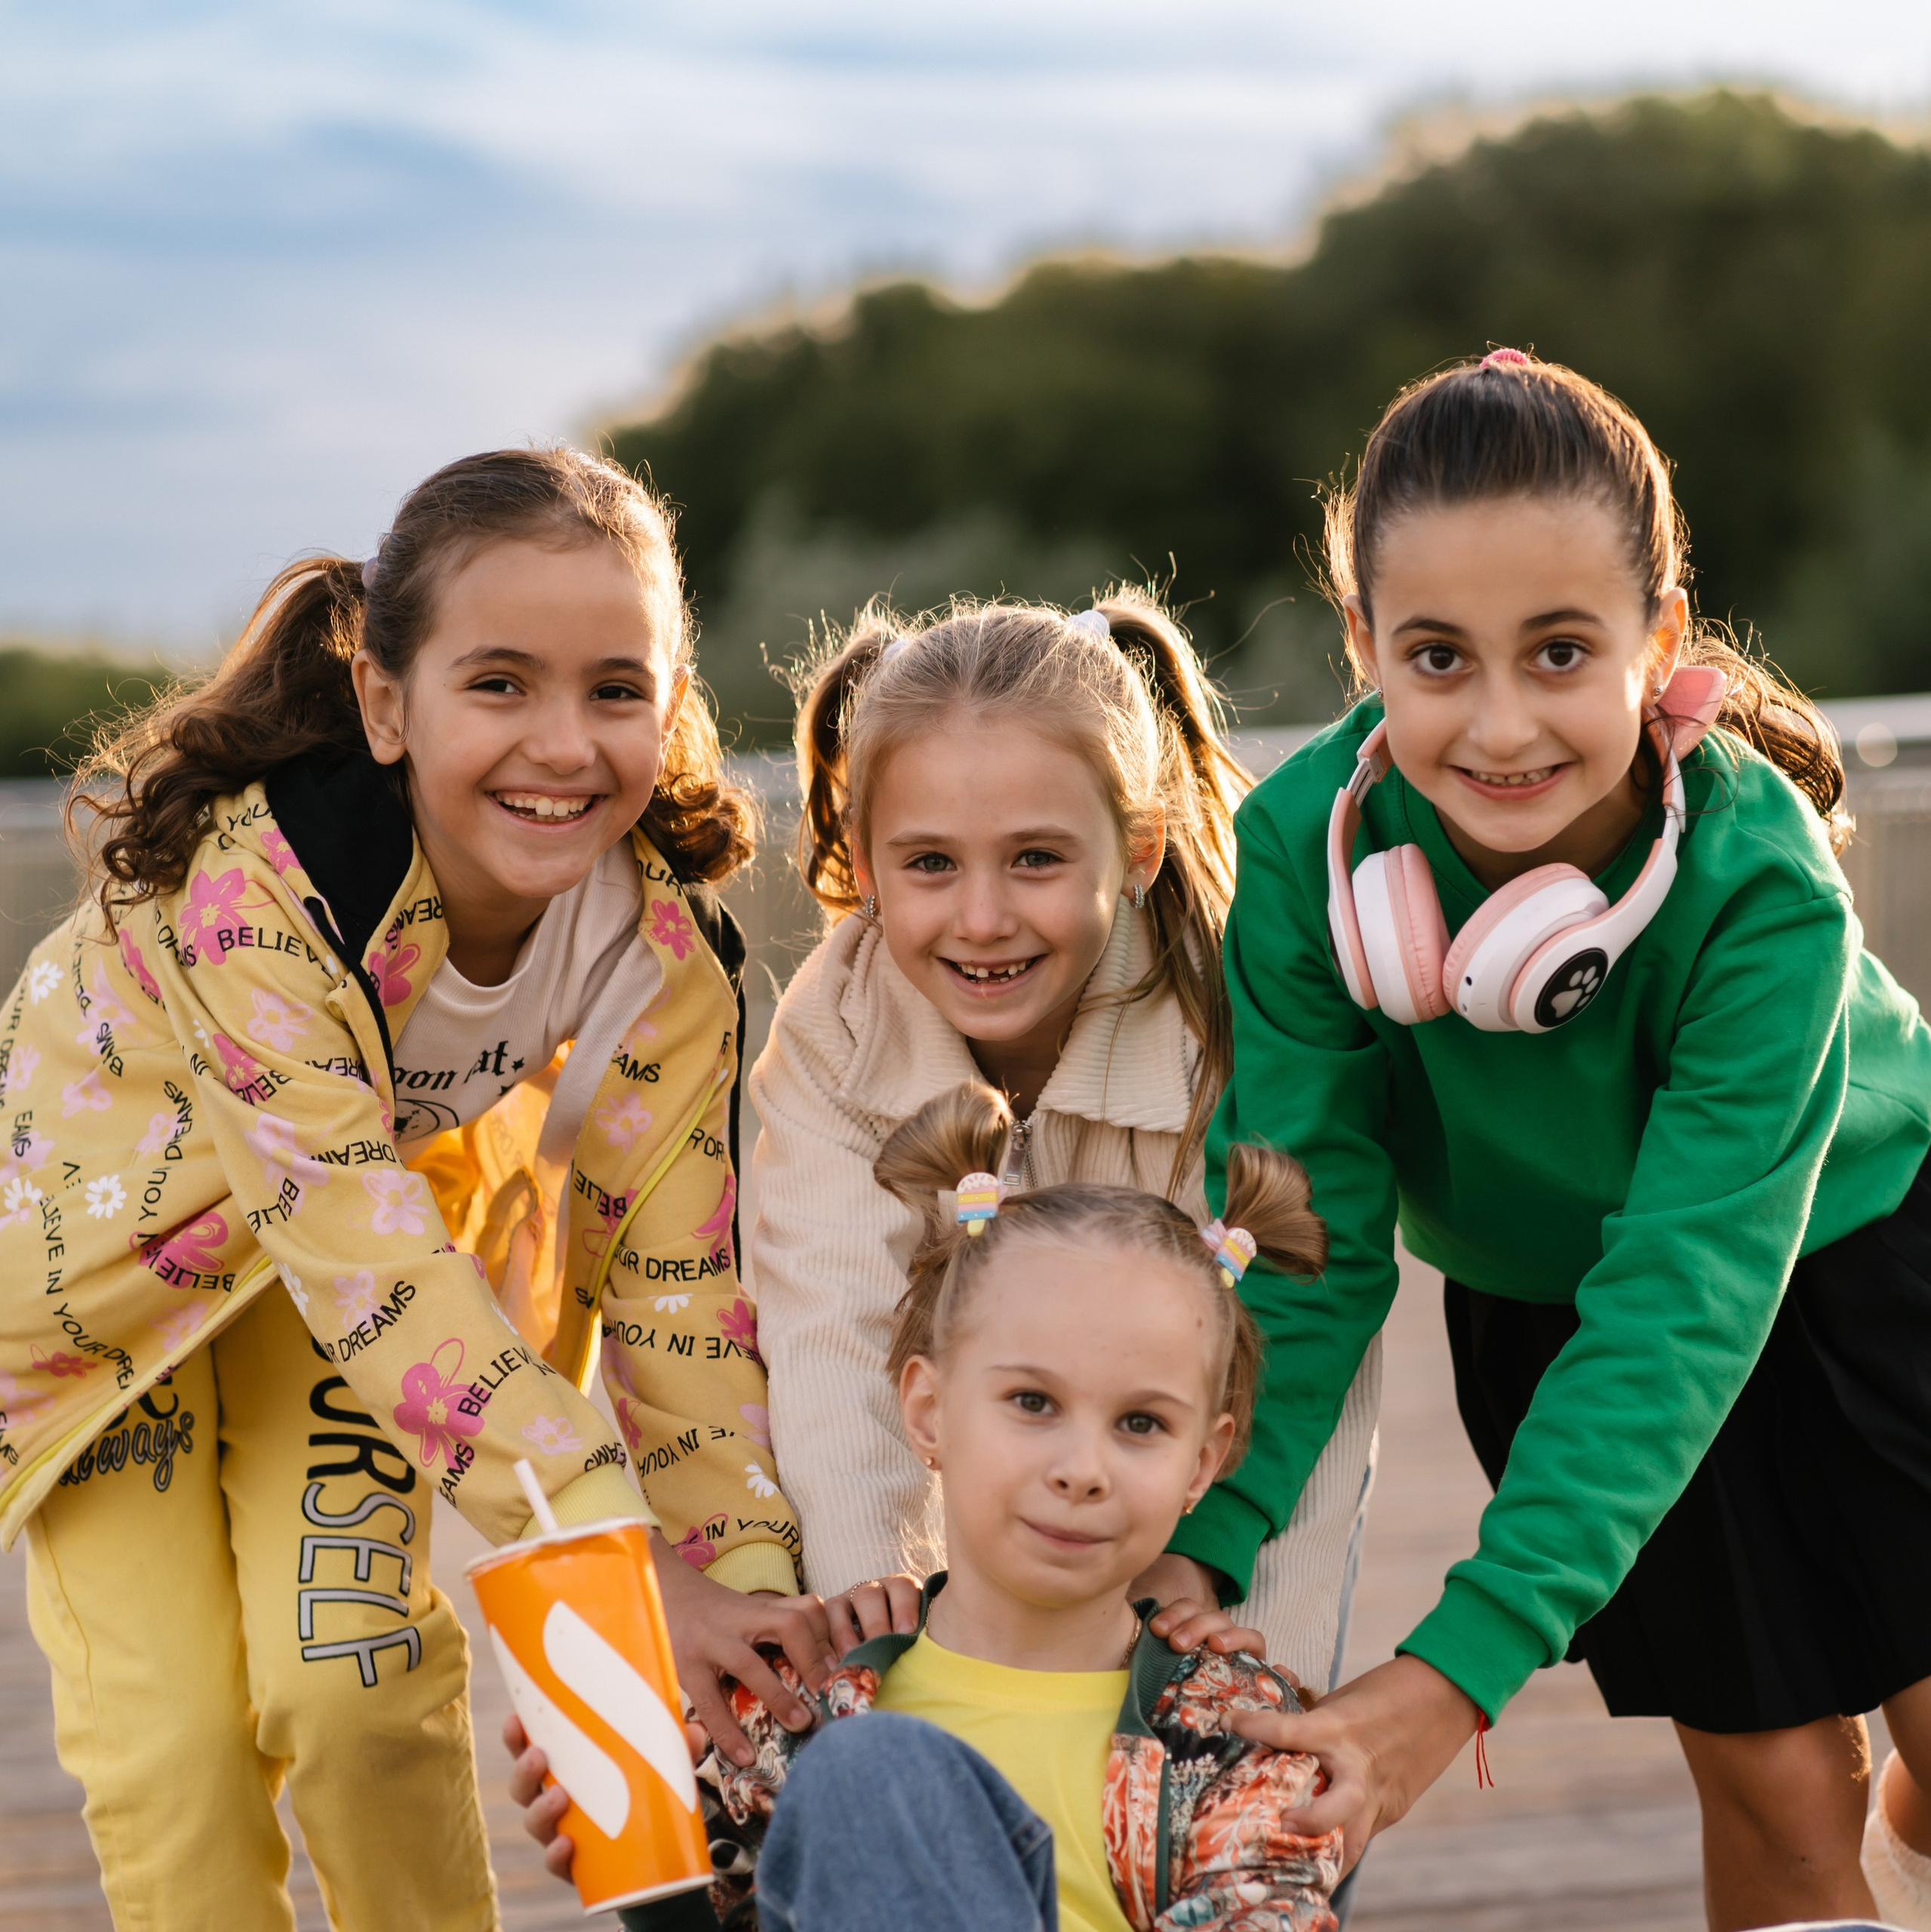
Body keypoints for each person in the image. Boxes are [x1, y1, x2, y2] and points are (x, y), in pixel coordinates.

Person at [2, 447, 833, 1931]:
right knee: (178, 1752)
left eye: (615, 689)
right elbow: (362, 1261)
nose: (562, 745)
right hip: (96, 1320)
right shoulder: (252, 894)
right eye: (499, 683)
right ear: (389, 702)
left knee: (358, 1689)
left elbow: (676, 1298)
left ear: (672, 701)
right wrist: (617, 1553)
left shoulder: (661, 962)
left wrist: (745, 1607)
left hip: (346, 1279)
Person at [1187, 352, 1931, 1929]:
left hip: (1863, 1252)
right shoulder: (1295, 855)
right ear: (1359, 648)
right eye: (1437, 657)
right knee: (1787, 1789)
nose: (1502, 721)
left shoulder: (1759, 876)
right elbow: (1307, 1244)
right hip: (1563, 1308)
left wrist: (1452, 1673)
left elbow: (1690, 1283)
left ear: (1658, 640)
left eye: (1560, 650)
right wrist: (1209, 1533)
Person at [514, 1078, 1345, 1932]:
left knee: (872, 1767)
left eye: (1141, 1423)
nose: (1082, 1469)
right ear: (928, 1411)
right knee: (870, 1767)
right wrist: (648, 1876)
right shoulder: (805, 1697)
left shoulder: (1236, 1728)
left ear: (1202, 1463)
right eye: (1032, 1402)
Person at [744, 592, 1380, 1691]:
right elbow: (830, 1331)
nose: (981, 919)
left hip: (1223, 1522)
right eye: (929, 864)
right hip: (993, 1538)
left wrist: (1230, 1612)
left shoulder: (1233, 1027)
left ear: (1137, 851)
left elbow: (1288, 1343)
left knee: (1222, 1787)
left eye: (1034, 859)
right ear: (859, 853)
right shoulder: (834, 1035)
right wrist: (875, 1590)